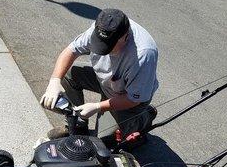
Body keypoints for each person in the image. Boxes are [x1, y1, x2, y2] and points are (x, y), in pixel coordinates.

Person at [40, 8, 159, 141]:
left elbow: (133, 99)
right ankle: (78, 124)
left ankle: (145, 116)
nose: (104, 49)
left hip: (127, 97)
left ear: (124, 37)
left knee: (105, 142)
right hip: (104, 81)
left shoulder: (143, 54)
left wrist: (97, 106)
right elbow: (71, 51)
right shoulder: (102, 27)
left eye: (109, 46)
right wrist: (54, 81)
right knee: (69, 73)